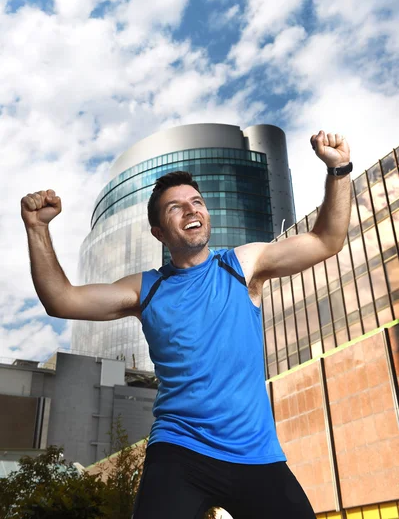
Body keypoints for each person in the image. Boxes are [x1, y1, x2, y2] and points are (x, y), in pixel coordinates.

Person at [21, 130, 352, 519]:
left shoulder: (242, 265)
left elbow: (327, 240)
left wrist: (339, 170)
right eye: (175, 207)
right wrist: (37, 228)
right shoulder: (147, 288)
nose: (191, 210)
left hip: (254, 451)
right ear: (159, 232)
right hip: (179, 449)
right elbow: (61, 300)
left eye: (196, 202)